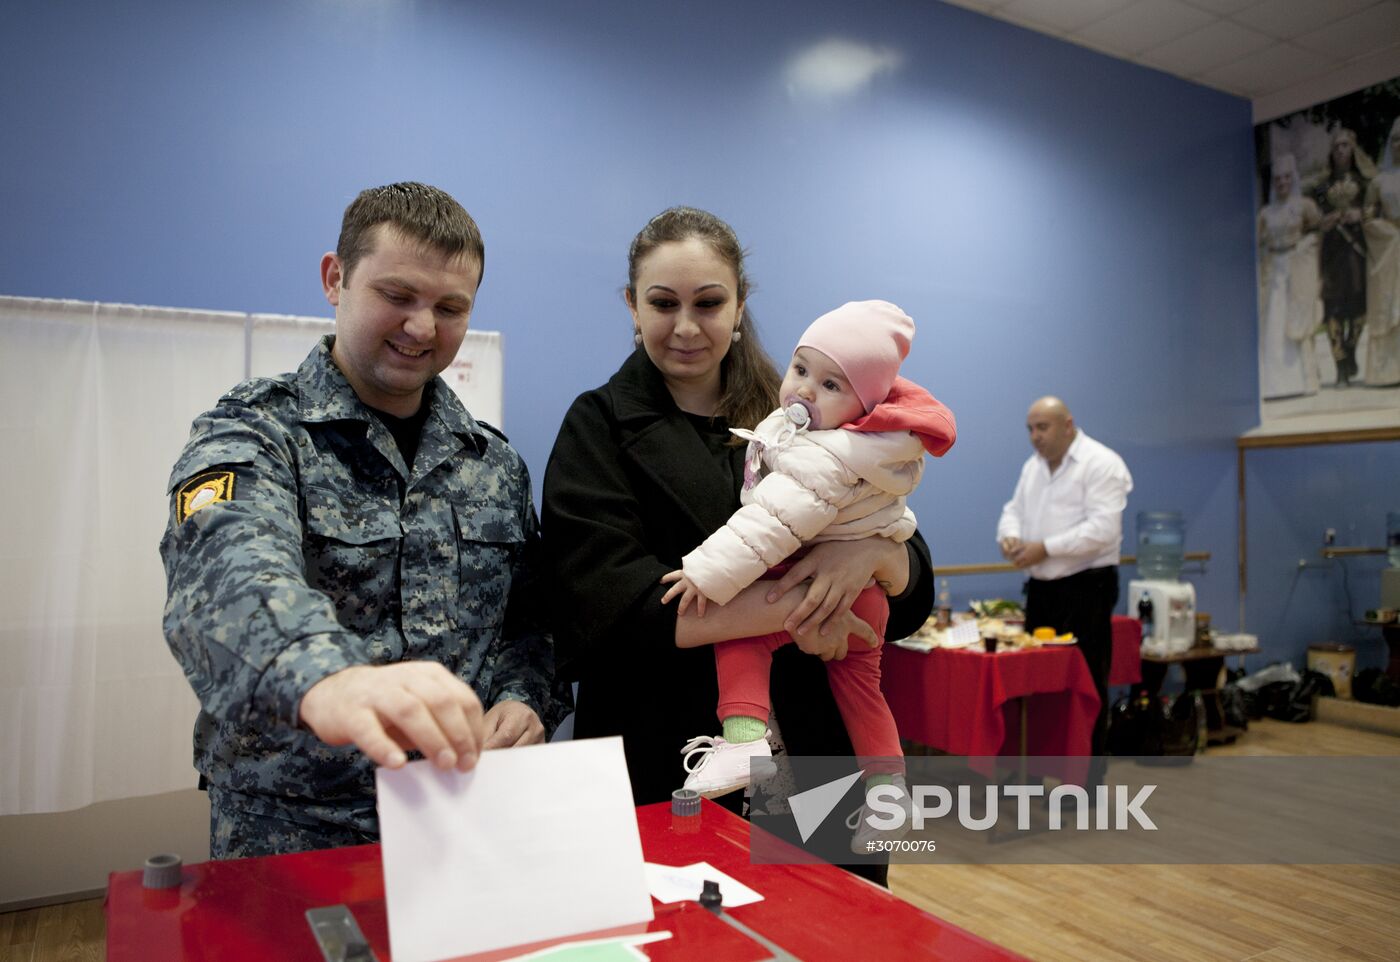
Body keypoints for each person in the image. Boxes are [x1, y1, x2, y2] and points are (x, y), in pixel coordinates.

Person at [160, 182, 559, 859]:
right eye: (398, 296)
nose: (423, 328)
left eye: (450, 307)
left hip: (459, 813)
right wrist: (328, 677)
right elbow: (227, 573)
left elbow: (529, 622)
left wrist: (525, 699)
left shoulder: (492, 463)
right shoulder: (255, 431)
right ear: (334, 279)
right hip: (297, 827)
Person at [542, 207, 935, 880]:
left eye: (709, 302)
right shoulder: (599, 427)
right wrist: (813, 606)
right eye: (663, 303)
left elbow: (914, 581)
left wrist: (872, 557)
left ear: (740, 305)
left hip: (818, 758)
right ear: (632, 307)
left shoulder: (812, 407)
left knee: (831, 940)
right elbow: (608, 610)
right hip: (670, 753)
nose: (687, 326)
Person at [659, 300, 955, 810]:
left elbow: (769, 523)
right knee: (865, 694)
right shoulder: (867, 445)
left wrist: (705, 574)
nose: (804, 389)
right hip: (866, 601)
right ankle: (889, 792)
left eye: (832, 386)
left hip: (823, 589)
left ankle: (744, 739)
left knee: (739, 639)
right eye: (800, 370)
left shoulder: (826, 453)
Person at [996, 397, 1132, 765]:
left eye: (1043, 427)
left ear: (1068, 424)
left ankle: (1085, 779)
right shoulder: (1033, 468)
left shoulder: (1102, 464)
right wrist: (1009, 535)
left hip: (1087, 588)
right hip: (1042, 589)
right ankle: (1035, 773)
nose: (1035, 436)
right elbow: (1014, 510)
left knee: (1084, 684)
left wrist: (1046, 548)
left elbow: (1103, 530)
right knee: (1037, 684)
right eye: (1030, 429)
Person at [1257, 154, 1322, 399]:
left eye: (1286, 178)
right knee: (1274, 322)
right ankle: (1277, 385)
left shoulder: (1304, 204)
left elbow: (1317, 228)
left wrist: (1307, 248)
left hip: (1297, 266)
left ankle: (1305, 381)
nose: (1282, 183)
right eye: (1277, 179)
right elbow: (1258, 241)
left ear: (1292, 178)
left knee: (1296, 321)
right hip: (1274, 268)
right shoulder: (1266, 213)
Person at [1314, 127, 1372, 387]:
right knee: (1333, 305)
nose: (1340, 150)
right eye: (1336, 146)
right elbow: (1312, 217)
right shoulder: (1321, 187)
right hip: (1332, 251)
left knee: (1360, 305)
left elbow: (1375, 208)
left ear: (1353, 149)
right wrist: (1324, 221)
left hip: (1357, 247)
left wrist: (1360, 214)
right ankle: (1339, 366)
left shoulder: (1364, 182)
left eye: (1345, 145)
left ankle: (1350, 348)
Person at [1363, 117, 1400, 387]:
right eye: (1396, 139)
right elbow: (1368, 216)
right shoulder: (1380, 181)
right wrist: (1386, 232)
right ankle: (1389, 370)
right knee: (1390, 303)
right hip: (1391, 246)